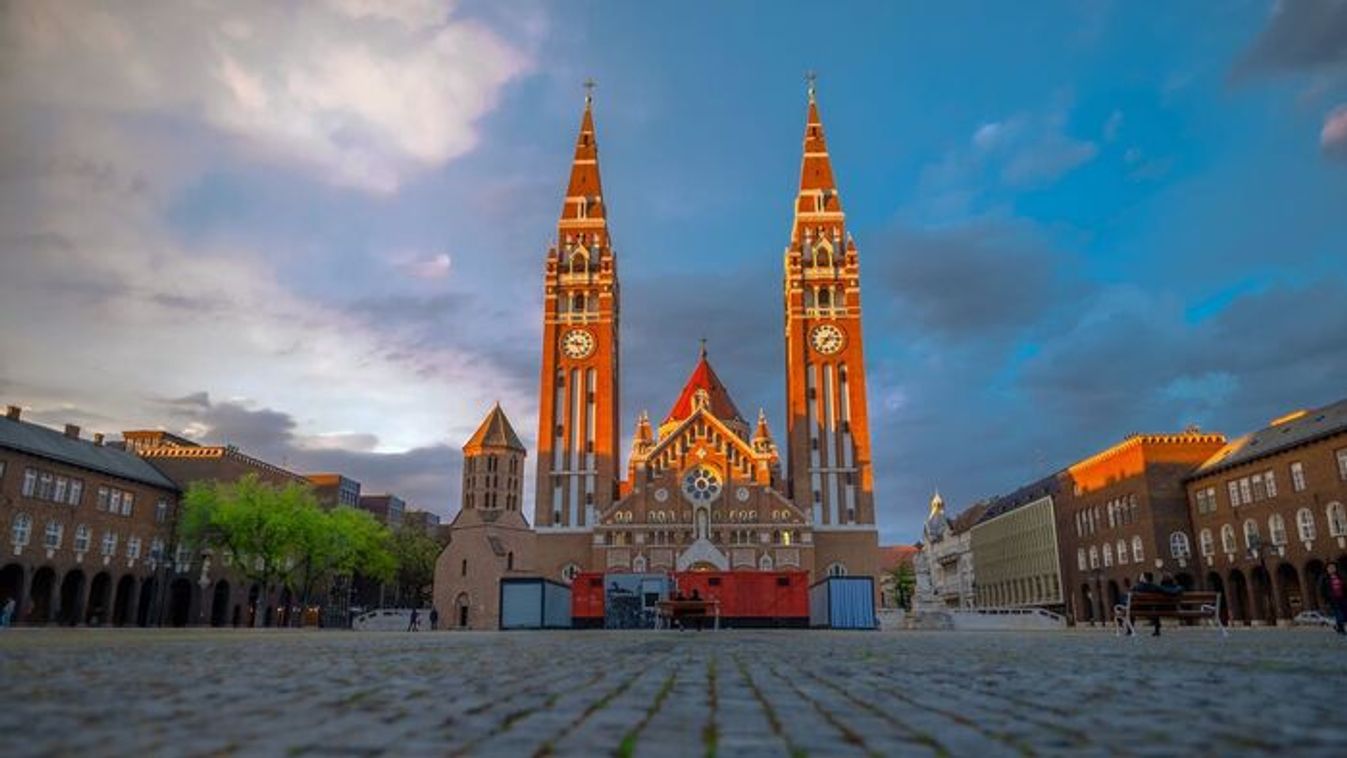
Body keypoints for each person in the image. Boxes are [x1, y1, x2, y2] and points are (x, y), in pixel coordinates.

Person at [1128, 572, 1182, 636]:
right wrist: (1178, 589)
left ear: (1144, 579)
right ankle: (1157, 630)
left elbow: (1129, 593)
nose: (1140, 578)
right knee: (1156, 607)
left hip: (1139, 609)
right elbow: (1168, 591)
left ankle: (1130, 630)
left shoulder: (1136, 587)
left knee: (1131, 608)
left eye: (1141, 577)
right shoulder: (1154, 587)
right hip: (1151, 608)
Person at [1318, 563, 1347, 635]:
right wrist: (1326, 599)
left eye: (1333, 567)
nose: (1332, 569)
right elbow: (1322, 590)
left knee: (1345, 612)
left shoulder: (1340, 576)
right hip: (1333, 599)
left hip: (1343, 597)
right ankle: (1341, 628)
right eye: (1330, 568)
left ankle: (1339, 626)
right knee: (1339, 613)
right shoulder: (1324, 578)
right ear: (1327, 569)